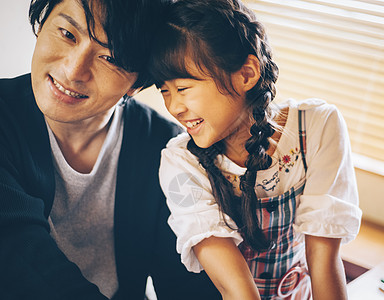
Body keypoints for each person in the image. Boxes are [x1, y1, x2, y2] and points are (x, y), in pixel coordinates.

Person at [0, 0, 221, 299]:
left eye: (110, 58)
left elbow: (187, 282)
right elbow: (18, 257)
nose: (73, 70)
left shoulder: (169, 152)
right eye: (67, 34)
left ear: (137, 82)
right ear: (42, 23)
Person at [149, 0, 363, 299]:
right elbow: (236, 289)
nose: (173, 107)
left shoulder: (316, 126)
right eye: (164, 91)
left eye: (183, 88)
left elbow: (323, 260)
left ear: (247, 74)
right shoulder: (180, 161)